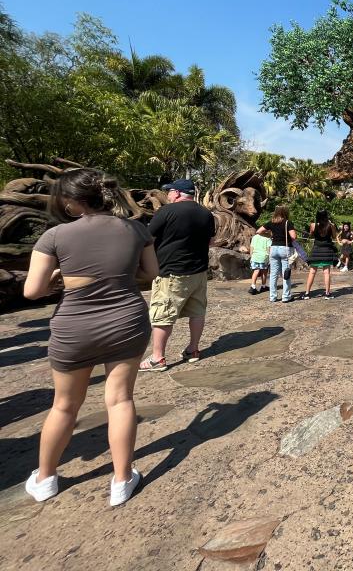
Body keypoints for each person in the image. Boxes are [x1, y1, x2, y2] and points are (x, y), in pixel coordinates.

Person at [23, 168, 159, 506]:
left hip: (74, 326)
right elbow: (152, 273)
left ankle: (45, 479)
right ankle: (122, 481)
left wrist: (58, 275)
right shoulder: (136, 229)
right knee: (120, 400)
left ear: (70, 201)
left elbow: (32, 290)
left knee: (65, 405)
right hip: (126, 319)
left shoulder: (56, 236)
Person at [140, 179, 216, 371]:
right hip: (198, 271)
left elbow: (148, 238)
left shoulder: (166, 211)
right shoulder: (206, 214)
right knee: (197, 311)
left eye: (170, 192)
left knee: (163, 314)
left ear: (177, 193)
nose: (168, 195)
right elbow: (210, 242)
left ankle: (158, 358)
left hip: (171, 271)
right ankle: (193, 349)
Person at [257, 205, 298, 303]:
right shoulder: (288, 222)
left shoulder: (271, 222)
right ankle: (286, 296)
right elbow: (293, 236)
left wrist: (270, 235)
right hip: (284, 249)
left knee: (273, 274)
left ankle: (272, 296)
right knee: (286, 273)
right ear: (285, 212)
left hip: (273, 248)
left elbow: (258, 231)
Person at [305, 209, 338, 299]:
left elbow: (311, 235)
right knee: (326, 272)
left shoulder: (313, 225)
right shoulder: (331, 226)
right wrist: (332, 225)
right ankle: (327, 294)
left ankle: (307, 293)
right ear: (326, 216)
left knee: (312, 272)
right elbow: (334, 236)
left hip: (316, 250)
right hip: (327, 251)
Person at [248, 227, 271, 294]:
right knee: (264, 272)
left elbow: (251, 247)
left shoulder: (255, 237)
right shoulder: (268, 239)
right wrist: (270, 258)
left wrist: (251, 256)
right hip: (264, 257)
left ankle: (253, 286)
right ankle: (263, 286)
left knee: (256, 271)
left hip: (255, 256)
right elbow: (268, 249)